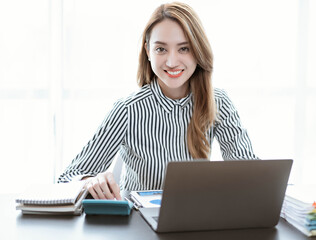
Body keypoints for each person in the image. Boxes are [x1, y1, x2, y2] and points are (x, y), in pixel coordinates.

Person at [58, 2, 258, 200]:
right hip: (138, 225)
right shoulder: (128, 109)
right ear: (148, 50)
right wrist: (90, 181)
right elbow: (67, 178)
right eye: (161, 49)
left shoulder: (219, 102)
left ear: (198, 50)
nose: (171, 62)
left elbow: (251, 175)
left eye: (184, 49)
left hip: (195, 221)